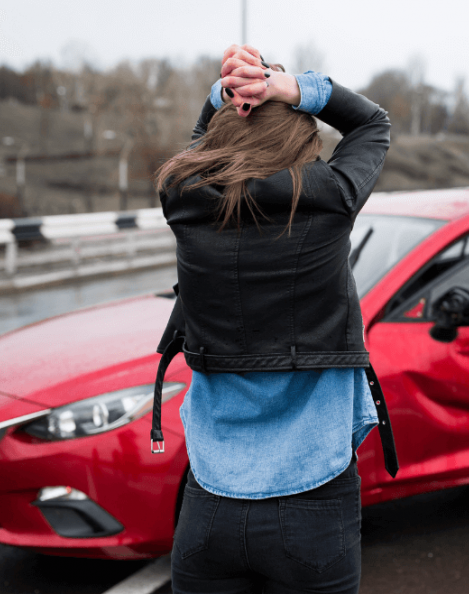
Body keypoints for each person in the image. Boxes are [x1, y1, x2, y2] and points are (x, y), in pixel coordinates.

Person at [150, 44, 398, 594]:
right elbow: (371, 123)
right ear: (302, 145)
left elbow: (199, 146)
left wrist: (230, 90)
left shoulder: (184, 200)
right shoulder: (329, 199)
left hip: (209, 506)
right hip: (314, 504)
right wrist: (288, 88)